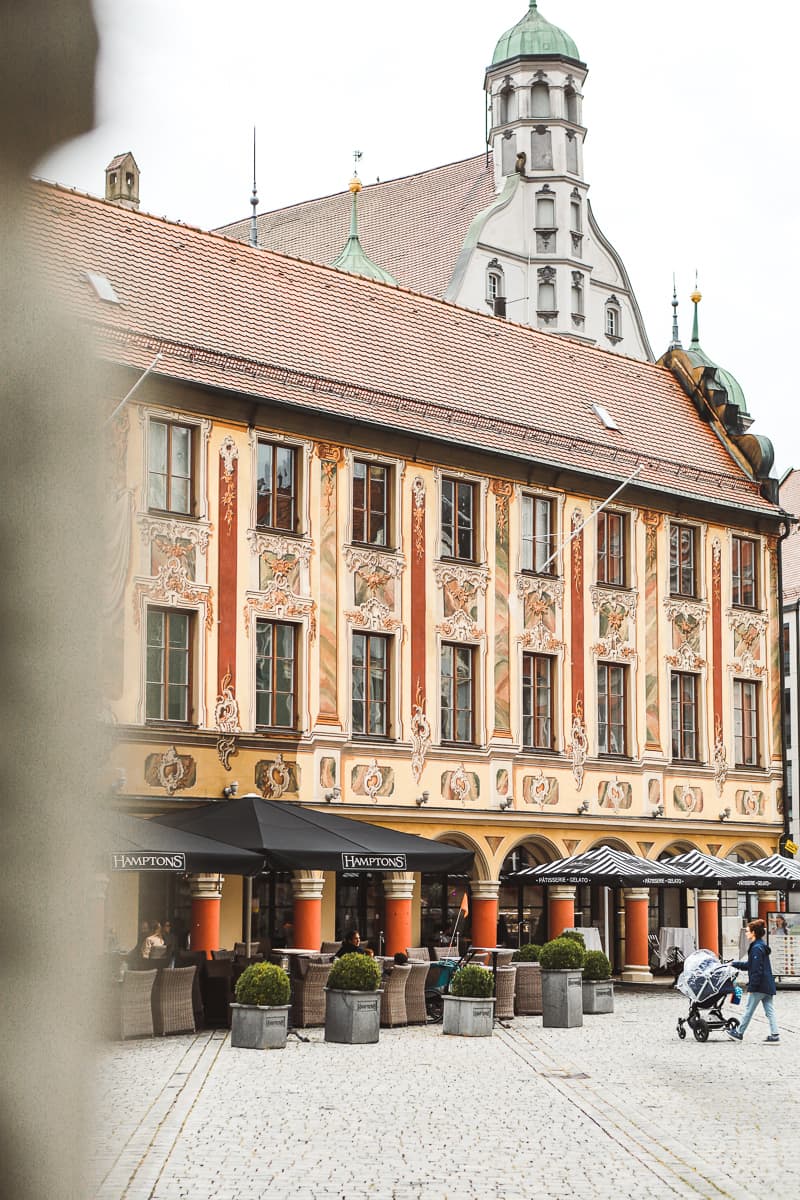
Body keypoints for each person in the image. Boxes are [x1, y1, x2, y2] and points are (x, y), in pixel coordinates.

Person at [727, 919, 779, 1043]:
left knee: (748, 1010)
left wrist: (752, 986)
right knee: (769, 1010)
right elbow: (750, 965)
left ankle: (739, 1033)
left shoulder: (756, 948)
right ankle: (775, 1034)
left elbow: (756, 970)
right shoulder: (760, 946)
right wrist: (734, 964)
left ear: (754, 932)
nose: (746, 933)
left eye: (748, 931)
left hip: (759, 985)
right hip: (768, 985)